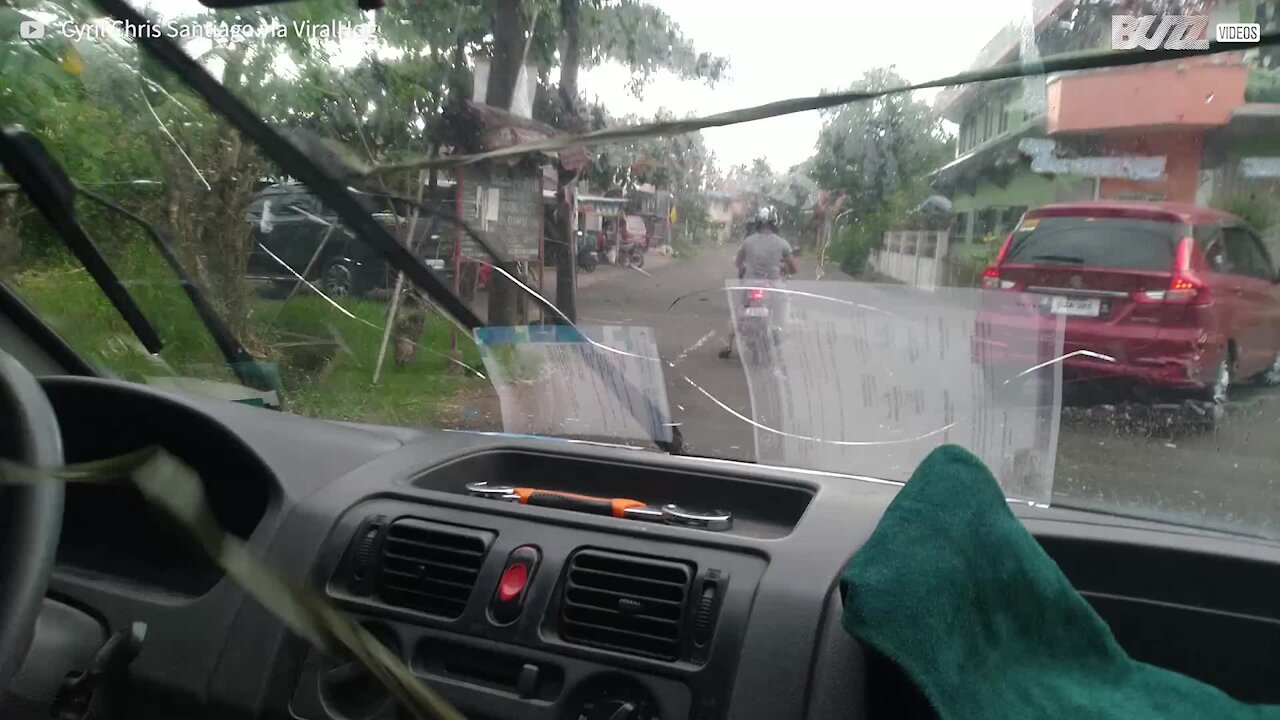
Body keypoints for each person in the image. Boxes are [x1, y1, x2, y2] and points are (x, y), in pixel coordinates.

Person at [719, 206, 797, 359]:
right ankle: (781, 331)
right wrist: (784, 269)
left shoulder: (748, 241)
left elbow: (738, 262)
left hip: (751, 285)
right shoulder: (782, 243)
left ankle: (728, 344)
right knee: (783, 309)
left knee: (738, 312)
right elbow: (794, 268)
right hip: (773, 286)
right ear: (775, 224)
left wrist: (744, 269)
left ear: (758, 224)